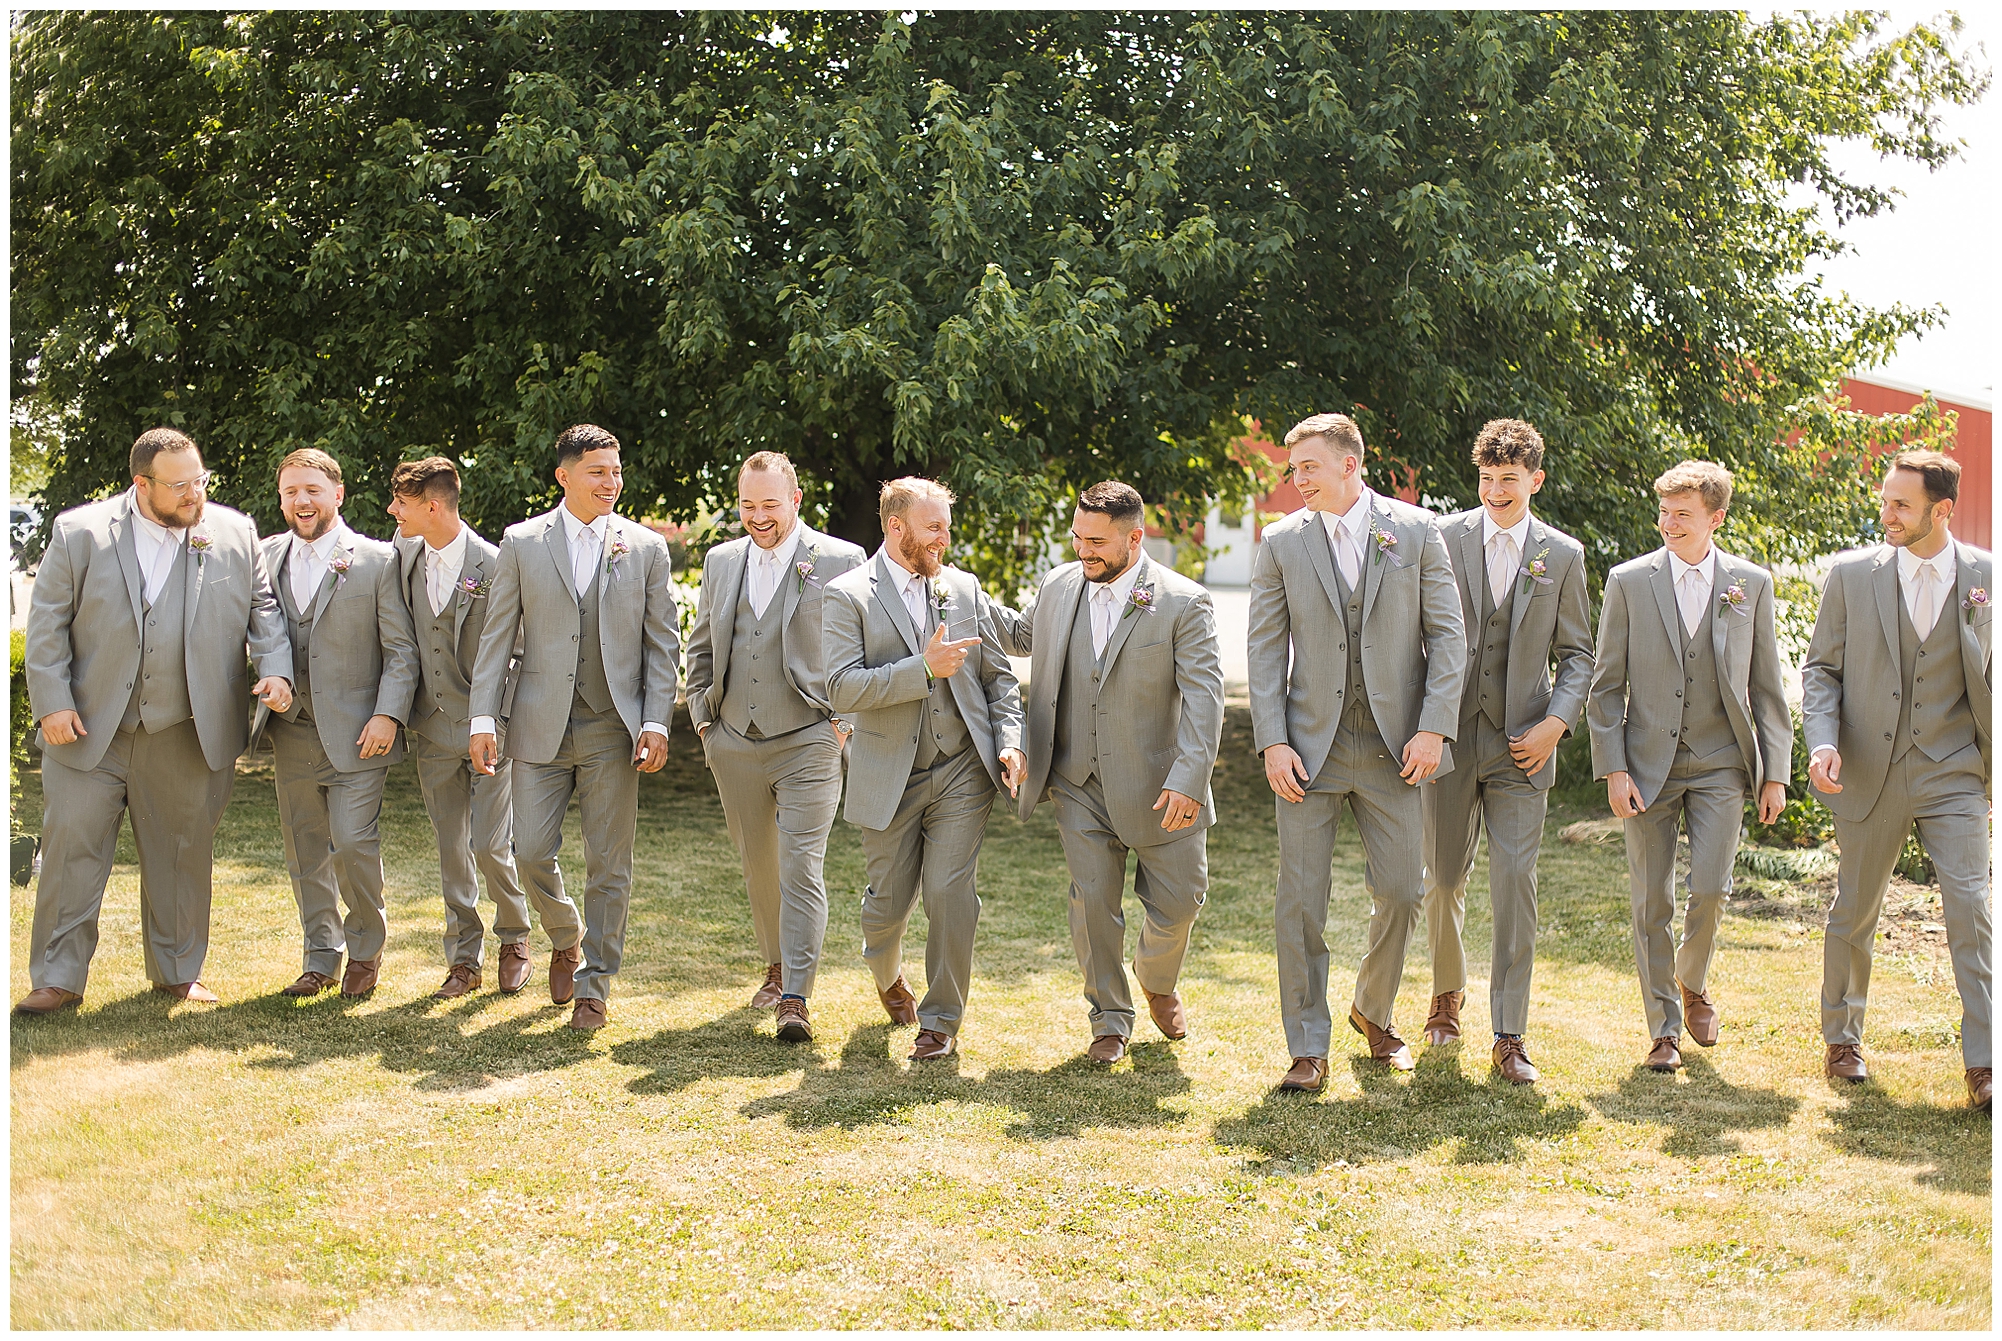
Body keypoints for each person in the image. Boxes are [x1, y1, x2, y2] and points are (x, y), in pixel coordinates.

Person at [17, 428, 293, 1015]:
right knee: (71, 851)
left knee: (181, 853)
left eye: (200, 479)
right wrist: (52, 702)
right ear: (141, 484)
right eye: (179, 485)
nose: (195, 494)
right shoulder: (80, 532)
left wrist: (275, 669)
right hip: (89, 726)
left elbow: (263, 608)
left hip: (186, 729)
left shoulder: (234, 532)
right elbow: (47, 624)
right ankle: (58, 978)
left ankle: (178, 971)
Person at [1247, 413, 1467, 1092]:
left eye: (1308, 467)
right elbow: (1264, 648)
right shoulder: (1281, 541)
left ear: (1349, 464)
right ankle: (1307, 1046)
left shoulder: (1416, 530)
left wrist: (1434, 727)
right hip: (1307, 750)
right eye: (1293, 469)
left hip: (1395, 747)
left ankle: (1372, 1009)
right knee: (1300, 902)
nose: (1297, 480)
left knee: (1403, 891)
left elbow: (1448, 636)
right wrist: (1273, 740)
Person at [989, 482, 1224, 1064]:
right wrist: (954, 588)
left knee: (1182, 903)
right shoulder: (1059, 586)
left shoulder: (1183, 602)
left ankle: (1156, 977)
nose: (1082, 550)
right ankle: (1110, 1019)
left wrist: (1190, 778)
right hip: (1076, 779)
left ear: (1134, 538)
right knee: (1093, 903)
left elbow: (1205, 698)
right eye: (1077, 537)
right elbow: (1022, 636)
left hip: (1160, 785)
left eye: (1096, 542)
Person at [469, 424, 680, 1031]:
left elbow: (661, 644)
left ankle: (595, 985)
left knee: (609, 863)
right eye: (598, 472)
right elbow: (497, 636)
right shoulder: (522, 542)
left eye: (617, 471)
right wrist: (483, 717)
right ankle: (565, 933)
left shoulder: (645, 548)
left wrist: (656, 721)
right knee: (530, 850)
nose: (612, 482)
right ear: (564, 476)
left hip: (614, 726)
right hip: (538, 722)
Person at [1803, 450, 1991, 1110]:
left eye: (1901, 505)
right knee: (1855, 908)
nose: (1886, 513)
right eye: (1885, 500)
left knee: (1971, 907)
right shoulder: (1852, 575)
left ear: (1942, 511)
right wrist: (1823, 742)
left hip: (1953, 767)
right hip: (1869, 767)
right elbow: (1821, 670)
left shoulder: (1986, 577)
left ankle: (1985, 1062)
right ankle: (1842, 1039)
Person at [1588, 460, 1790, 1072]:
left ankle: (1692, 980)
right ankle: (1663, 1029)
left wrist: (1775, 772)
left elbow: (1767, 686)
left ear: (1715, 518)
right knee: (1652, 900)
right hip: (1646, 764)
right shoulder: (1628, 582)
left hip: (1722, 761)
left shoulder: (1750, 584)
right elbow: (1605, 687)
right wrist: (1613, 768)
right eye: (1664, 513)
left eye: (1682, 514)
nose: (1668, 524)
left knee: (1711, 888)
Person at [823, 477, 1026, 1061]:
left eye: (946, 526)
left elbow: (997, 678)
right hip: (889, 773)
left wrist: (1010, 741)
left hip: (962, 768)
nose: (944, 538)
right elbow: (841, 687)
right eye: (933, 527)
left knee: (949, 892)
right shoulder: (847, 595)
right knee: (887, 907)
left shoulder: (963, 588)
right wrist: (923, 669)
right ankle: (887, 973)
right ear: (896, 527)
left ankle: (939, 1023)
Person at [1419, 420, 1594, 1084]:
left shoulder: (1563, 556)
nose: (1496, 491)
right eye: (1487, 479)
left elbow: (1578, 655)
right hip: (1449, 738)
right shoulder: (1442, 538)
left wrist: (1556, 723)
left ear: (1535, 480)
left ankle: (1510, 1031)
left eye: (1509, 480)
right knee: (1442, 878)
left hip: (1524, 744)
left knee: (1515, 883)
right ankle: (1446, 994)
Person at [684, 451, 866, 1042]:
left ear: (796, 500)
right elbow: (702, 645)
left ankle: (795, 996)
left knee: (800, 864)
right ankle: (775, 963)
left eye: (770, 504)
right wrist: (704, 723)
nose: (759, 517)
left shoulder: (840, 559)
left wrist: (842, 723)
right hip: (733, 738)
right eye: (748, 505)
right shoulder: (721, 561)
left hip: (811, 737)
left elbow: (866, 644)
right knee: (758, 863)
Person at [388, 457, 582, 1000]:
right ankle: (463, 958)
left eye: (401, 502)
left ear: (432, 506)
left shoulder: (496, 564)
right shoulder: (403, 554)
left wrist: (493, 721)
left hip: (490, 729)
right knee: (452, 848)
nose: (392, 511)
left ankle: (519, 937)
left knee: (491, 846)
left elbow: (518, 654)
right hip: (432, 728)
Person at [262, 448, 419, 999]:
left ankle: (366, 948)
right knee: (304, 848)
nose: (301, 501)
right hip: (290, 728)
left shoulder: (376, 560)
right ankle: (320, 956)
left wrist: (388, 714)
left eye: (312, 490)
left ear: (338, 493)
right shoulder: (265, 557)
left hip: (359, 731)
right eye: (290, 492)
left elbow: (401, 650)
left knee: (353, 844)